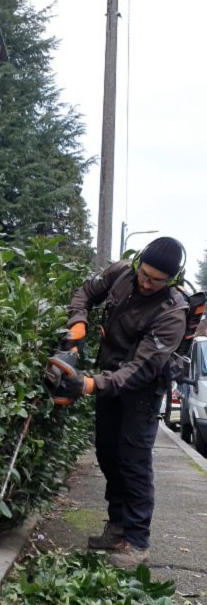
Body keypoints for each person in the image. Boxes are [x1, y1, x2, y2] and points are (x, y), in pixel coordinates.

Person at [59, 237, 188, 569]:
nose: (145, 283)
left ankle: (136, 541)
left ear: (171, 281)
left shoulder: (172, 313)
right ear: (137, 264)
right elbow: (85, 292)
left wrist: (87, 384)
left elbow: (140, 369)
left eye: (155, 281)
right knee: (106, 452)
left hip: (140, 391)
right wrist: (78, 320)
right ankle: (116, 528)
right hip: (107, 381)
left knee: (133, 462)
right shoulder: (121, 273)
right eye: (143, 274)